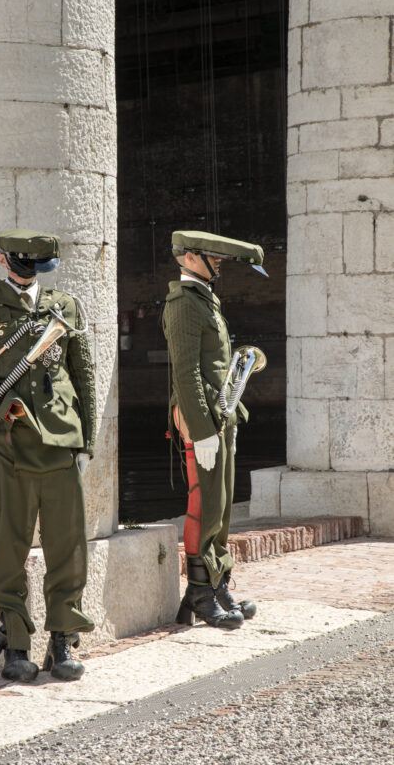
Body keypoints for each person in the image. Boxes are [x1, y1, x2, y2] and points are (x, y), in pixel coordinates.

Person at [0, 229, 96, 682]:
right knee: (8, 546)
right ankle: (15, 643)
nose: (28, 274)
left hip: (59, 445)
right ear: (2, 259)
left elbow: (83, 376)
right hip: (8, 447)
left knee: (67, 546)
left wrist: (86, 441)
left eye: (37, 267)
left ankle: (62, 639)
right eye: (21, 264)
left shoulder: (65, 305)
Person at [163, 230, 267, 629]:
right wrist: (202, 428)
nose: (218, 264)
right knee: (203, 503)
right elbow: (186, 373)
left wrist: (227, 415)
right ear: (189, 258)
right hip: (200, 415)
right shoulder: (184, 303)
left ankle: (218, 583)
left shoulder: (204, 298)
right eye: (212, 258)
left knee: (220, 504)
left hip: (218, 411)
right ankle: (200, 591)